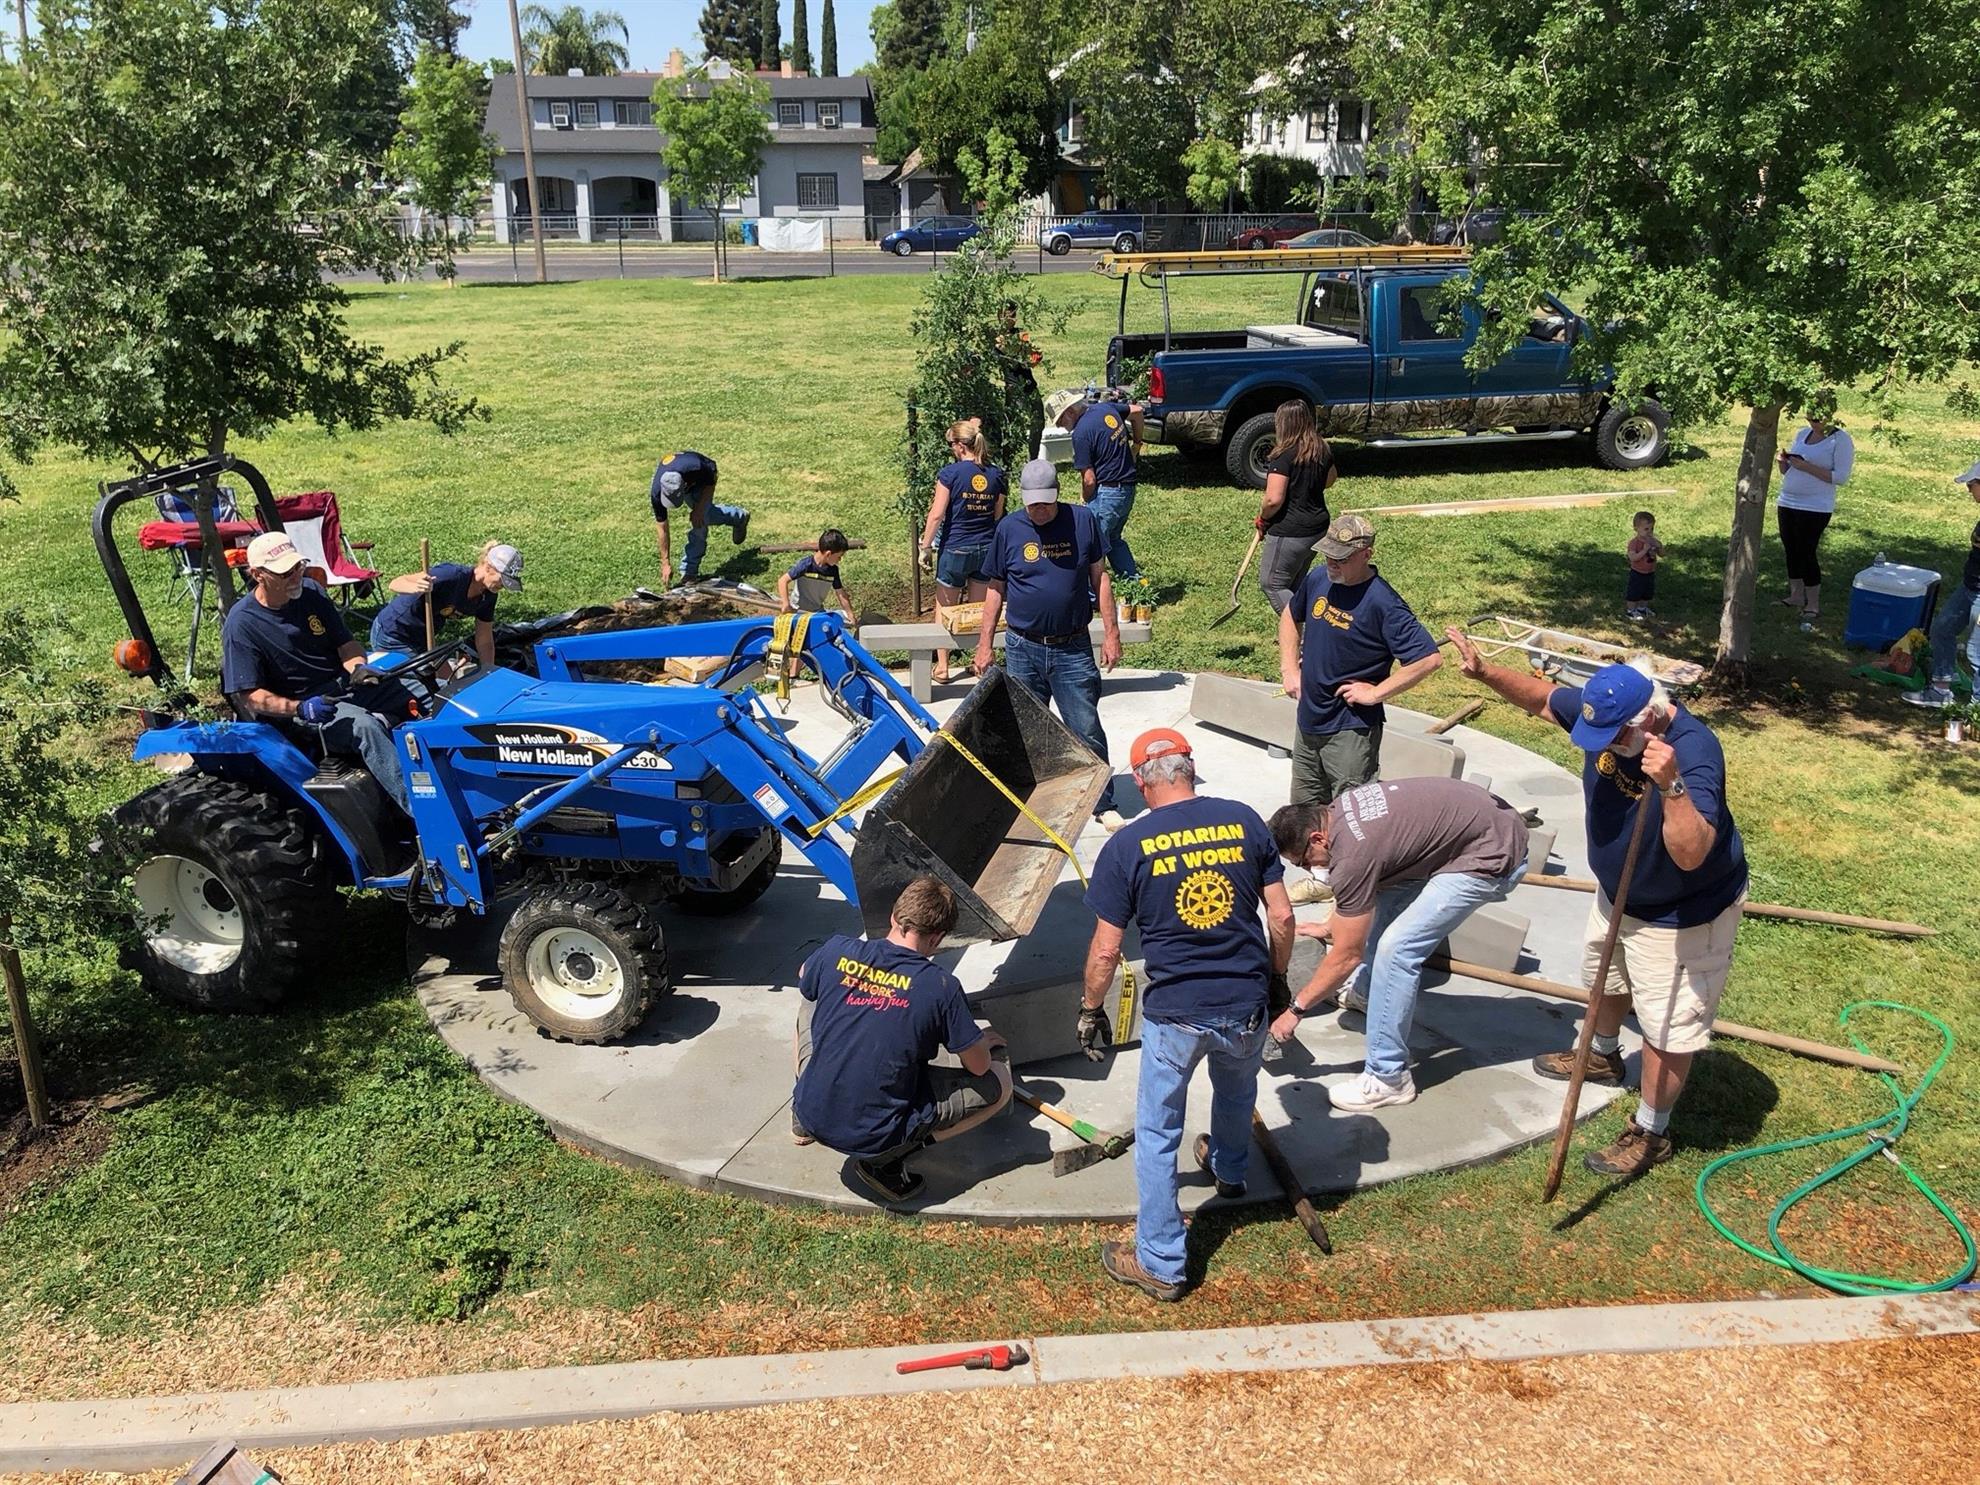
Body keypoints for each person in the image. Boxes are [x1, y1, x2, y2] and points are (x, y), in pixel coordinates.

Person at [1445, 634, 1749, 1178]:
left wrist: (1671, 787)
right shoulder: (1610, 710)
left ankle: (1652, 1131)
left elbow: (1692, 853)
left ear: (1648, 720)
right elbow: (1543, 700)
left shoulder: (1696, 754)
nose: (1599, 745)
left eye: (1611, 738)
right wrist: (1486, 673)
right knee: (1606, 979)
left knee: (1665, 1025)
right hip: (1620, 894)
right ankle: (1603, 1056)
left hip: (1681, 913)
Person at [1080, 729, 1295, 1301]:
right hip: (1246, 1004)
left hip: (1176, 1013)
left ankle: (1162, 1262)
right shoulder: (1245, 820)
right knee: (1235, 1092)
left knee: (1156, 1131)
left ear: (1140, 782)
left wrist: (1090, 1009)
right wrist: (1275, 980)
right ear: (1189, 768)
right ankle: (1228, 1169)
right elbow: (1282, 917)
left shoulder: (1126, 846)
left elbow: (1106, 950)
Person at [1265, 780, 1529, 1111]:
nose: (1310, 869)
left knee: (1397, 950)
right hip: (1471, 830)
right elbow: (1363, 893)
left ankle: (1388, 1078)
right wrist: (1331, 926)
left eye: (1304, 861)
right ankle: (1368, 992)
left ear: (1318, 838)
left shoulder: (1353, 854)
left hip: (1491, 852)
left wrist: (1295, 1011)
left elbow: (1347, 955)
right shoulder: (1340, 814)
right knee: (1381, 910)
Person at [791, 877, 1012, 1204]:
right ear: (937, 938)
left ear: (894, 918)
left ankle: (802, 1120)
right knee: (1001, 1083)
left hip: (811, 1110)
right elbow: (978, 1067)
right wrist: (978, 1041)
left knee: (809, 997)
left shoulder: (839, 949)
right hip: (874, 1134)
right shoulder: (940, 987)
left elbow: (803, 972)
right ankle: (886, 1162)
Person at [976, 459, 1124, 828]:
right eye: (1033, 503)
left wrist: (1112, 633)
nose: (1039, 510)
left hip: (1071, 647)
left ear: (1057, 493)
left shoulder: (1082, 520)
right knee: (1025, 728)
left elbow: (1100, 579)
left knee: (1085, 726)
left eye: (1045, 502)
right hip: (1022, 647)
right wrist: (984, 644)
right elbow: (995, 589)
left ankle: (1101, 803)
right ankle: (1027, 798)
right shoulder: (1009, 528)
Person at [220, 532, 412, 811]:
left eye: (297, 566)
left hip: (345, 687)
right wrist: (300, 709)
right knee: (364, 727)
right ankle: (426, 815)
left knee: (420, 687)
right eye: (285, 572)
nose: (295, 576)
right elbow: (250, 696)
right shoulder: (242, 625)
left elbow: (345, 643)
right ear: (258, 574)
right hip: (307, 707)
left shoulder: (311, 592)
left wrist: (358, 667)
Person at [1278, 513, 1441, 805]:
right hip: (1308, 721)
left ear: (1366, 554)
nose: (1331, 562)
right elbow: (1291, 615)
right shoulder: (1318, 578)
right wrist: (1290, 670)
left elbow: (1427, 658)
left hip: (1350, 730)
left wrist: (1376, 693)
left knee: (1351, 816)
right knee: (1303, 816)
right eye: (1328, 554)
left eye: (1341, 557)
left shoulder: (1383, 603)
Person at [918, 420, 1008, 682]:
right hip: (986, 547)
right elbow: (997, 514)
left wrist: (926, 547)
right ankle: (978, 662)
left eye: (951, 444)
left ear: (959, 445)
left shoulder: (950, 474)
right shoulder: (996, 474)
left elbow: (937, 515)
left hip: (955, 547)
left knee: (944, 608)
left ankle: (943, 666)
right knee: (978, 609)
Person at [370, 541, 524, 670]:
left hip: (422, 640)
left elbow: (484, 638)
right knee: (424, 681)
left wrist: (488, 670)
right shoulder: (450, 576)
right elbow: (395, 583)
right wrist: (418, 586)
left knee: (446, 678)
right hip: (393, 633)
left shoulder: (488, 595)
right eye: (502, 579)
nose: (503, 586)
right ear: (488, 566)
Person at [1774, 393, 1854, 630]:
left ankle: (1813, 603)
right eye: (1810, 418)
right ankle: (1795, 595)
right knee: (1791, 548)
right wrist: (1784, 462)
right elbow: (1788, 472)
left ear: (1831, 416)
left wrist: (1806, 466)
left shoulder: (1840, 440)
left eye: (1818, 419)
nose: (1814, 423)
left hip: (1815, 506)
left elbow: (1840, 477)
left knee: (1806, 551)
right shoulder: (1801, 434)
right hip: (1788, 500)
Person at [1904, 459, 1980, 709]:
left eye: (1971, 485)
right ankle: (1940, 690)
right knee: (1942, 629)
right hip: (1969, 588)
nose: (1969, 490)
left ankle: (1976, 711)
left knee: (1977, 652)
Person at [1257, 400, 1338, 614]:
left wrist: (1263, 518)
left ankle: (1305, 635)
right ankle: (1301, 635)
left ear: (1283, 424)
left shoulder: (1282, 456)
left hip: (1290, 532)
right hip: (1317, 529)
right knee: (1295, 584)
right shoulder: (1321, 449)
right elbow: (1331, 479)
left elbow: (1273, 499)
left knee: (1272, 584)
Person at [1067, 388, 1143, 580]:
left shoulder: (1081, 434)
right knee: (1113, 539)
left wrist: (1084, 499)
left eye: (1060, 420)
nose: (1061, 426)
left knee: (1092, 545)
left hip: (1106, 495)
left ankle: (1090, 595)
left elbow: (1089, 479)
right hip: (1127, 489)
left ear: (1070, 412)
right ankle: (1134, 585)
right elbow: (1137, 411)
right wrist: (1137, 443)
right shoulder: (1105, 408)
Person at [650, 449, 749, 587]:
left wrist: (700, 508)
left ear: (684, 486)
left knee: (701, 520)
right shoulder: (657, 492)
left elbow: (712, 478)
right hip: (688, 481)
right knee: (707, 515)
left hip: (702, 481)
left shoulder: (697, 467)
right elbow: (662, 528)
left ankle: (689, 571)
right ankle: (738, 517)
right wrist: (665, 562)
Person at [997, 301, 1046, 460]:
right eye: (1008, 315)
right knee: (1013, 425)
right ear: (1000, 316)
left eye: (1014, 315)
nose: (1012, 319)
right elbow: (1009, 356)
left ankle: (1034, 458)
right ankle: (1008, 460)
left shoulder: (1021, 333)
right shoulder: (996, 338)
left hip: (1029, 384)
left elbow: (1029, 356)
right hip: (1014, 388)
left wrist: (1035, 356)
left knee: (1038, 421)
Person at [778, 528, 856, 618]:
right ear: (828, 554)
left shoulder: (833, 571)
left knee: (843, 616)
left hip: (817, 612)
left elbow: (841, 594)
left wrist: (850, 614)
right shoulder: (806, 565)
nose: (840, 560)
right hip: (797, 610)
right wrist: (786, 603)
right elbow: (782, 581)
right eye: (839, 557)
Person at [1624, 511, 1662, 623]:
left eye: (1651, 529)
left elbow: (1662, 554)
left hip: (1650, 571)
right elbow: (1633, 558)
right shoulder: (1634, 543)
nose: (1649, 532)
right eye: (1646, 529)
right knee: (1635, 591)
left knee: (1647, 592)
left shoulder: (1652, 541)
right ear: (1636, 529)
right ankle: (1631, 610)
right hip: (1638, 572)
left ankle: (1642, 608)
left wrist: (1659, 547)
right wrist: (1644, 550)